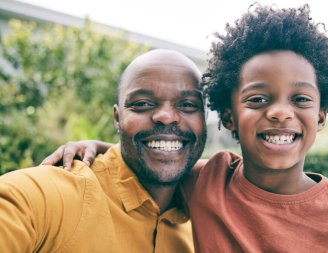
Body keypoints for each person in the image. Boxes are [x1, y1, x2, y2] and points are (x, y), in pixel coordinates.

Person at [42, 4, 328, 253]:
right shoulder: (205, 181)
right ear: (229, 117)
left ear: (321, 116)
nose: (279, 112)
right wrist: (100, 146)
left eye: (301, 99)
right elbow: (150, 157)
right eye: (258, 99)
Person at [0, 49, 207, 252]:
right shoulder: (57, 197)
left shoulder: (207, 215)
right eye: (142, 103)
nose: (166, 116)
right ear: (118, 118)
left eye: (188, 104)